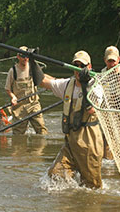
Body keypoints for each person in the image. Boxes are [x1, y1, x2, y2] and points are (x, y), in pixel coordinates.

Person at [39, 50, 104, 189]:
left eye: (82, 65)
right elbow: (42, 82)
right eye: (76, 65)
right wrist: (32, 62)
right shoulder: (68, 84)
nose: (79, 69)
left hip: (89, 144)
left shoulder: (96, 86)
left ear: (89, 67)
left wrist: (86, 86)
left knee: (92, 188)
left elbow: (91, 109)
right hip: (71, 142)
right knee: (55, 174)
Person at [4, 46, 48, 135]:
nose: (25, 58)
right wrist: (13, 97)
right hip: (19, 108)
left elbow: (43, 79)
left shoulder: (33, 67)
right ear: (18, 57)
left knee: (42, 131)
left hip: (34, 104)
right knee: (18, 136)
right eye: (23, 56)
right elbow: (7, 89)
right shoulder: (13, 71)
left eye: (27, 56)